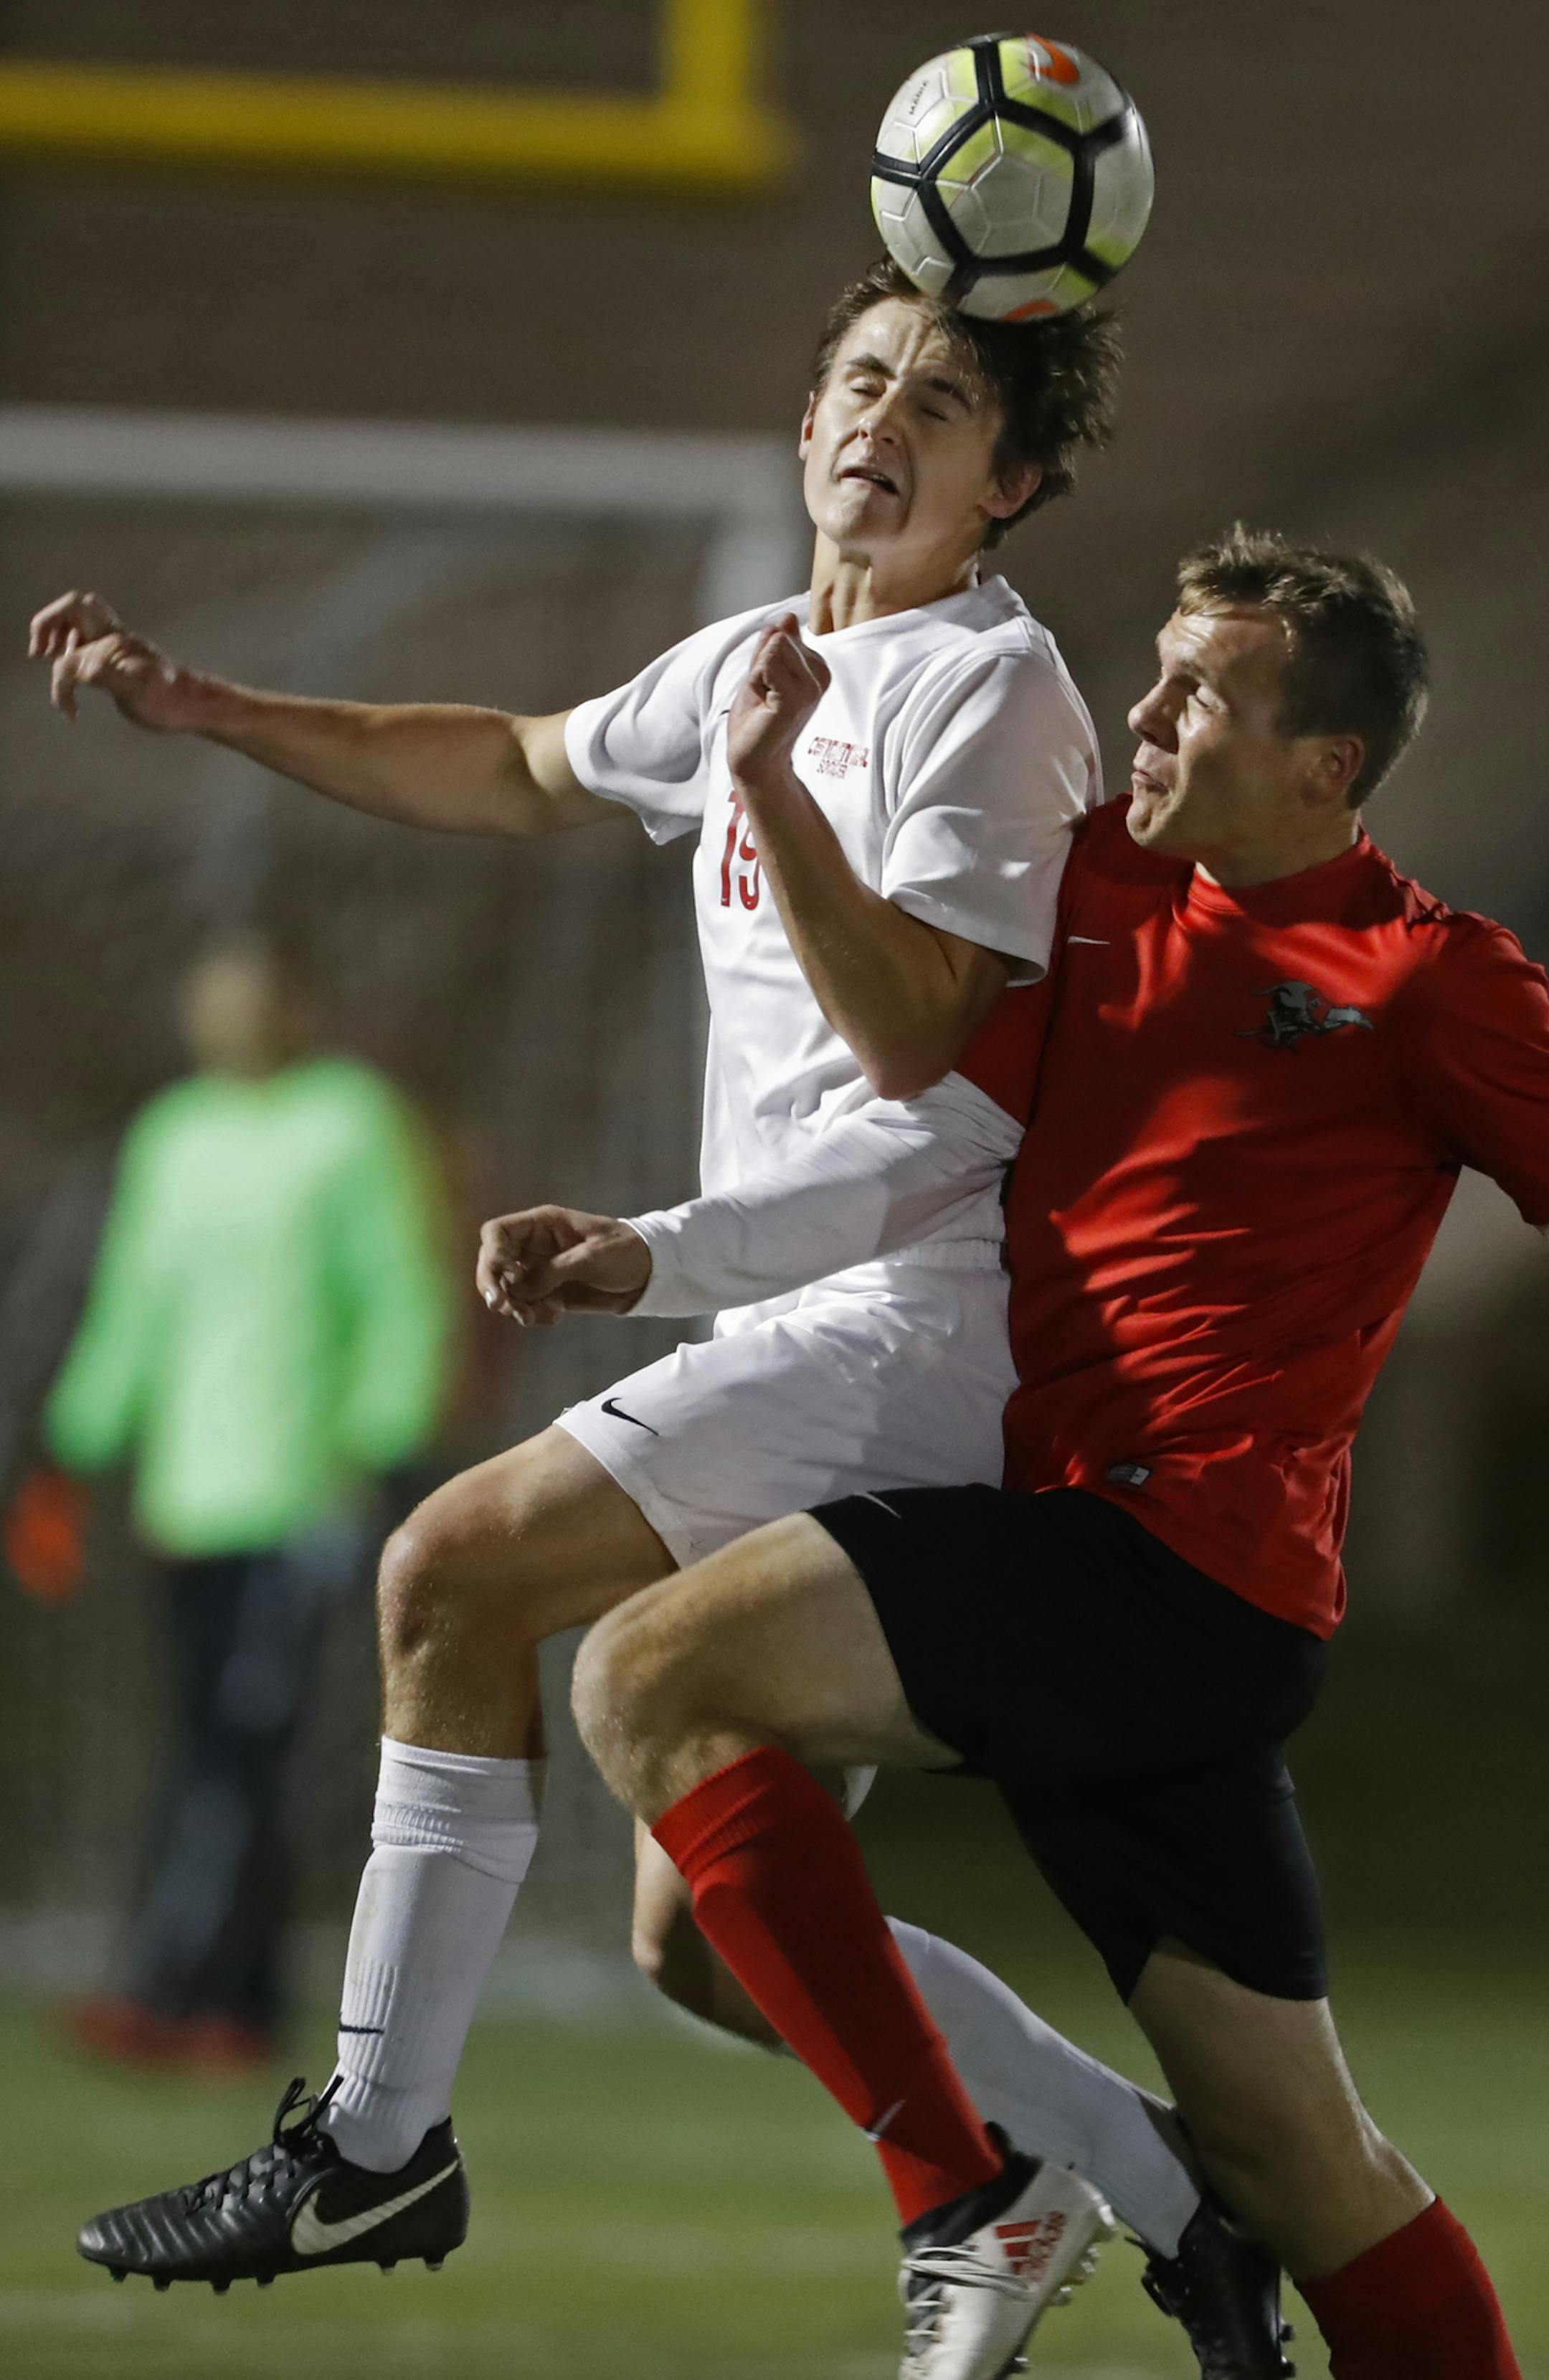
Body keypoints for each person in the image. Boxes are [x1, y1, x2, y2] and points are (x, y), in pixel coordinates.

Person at [35, 266, 1276, 2365]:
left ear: (1015, 479)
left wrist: (769, 813)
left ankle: (375, 2134)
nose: (887, 413)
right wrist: (219, 706)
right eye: (863, 376)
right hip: (802, 1307)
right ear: (806, 424)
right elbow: (514, 760)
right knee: (713, 1929)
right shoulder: (748, 663)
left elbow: (921, 1055)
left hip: (931, 1310)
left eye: (948, 399)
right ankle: (1171, 2191)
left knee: (455, 1566)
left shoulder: (992, 692)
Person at [458, 532, 1533, 2380]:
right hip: (1089, 1555)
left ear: (1326, 768)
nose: (1149, 710)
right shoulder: (1101, 883)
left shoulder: (1428, 975)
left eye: (1204, 691)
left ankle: (975, 2201)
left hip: (1177, 1573)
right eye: (1159, 670)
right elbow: (903, 1071)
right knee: (1296, 2160)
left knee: (652, 1667)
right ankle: (1073, 2189)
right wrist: (775, 794)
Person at [42, 933, 455, 2071]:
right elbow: (135, 1302)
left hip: (300, 1491)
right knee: (212, 1748)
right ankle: (239, 2003)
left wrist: (381, 1444)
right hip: (189, 1499)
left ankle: (166, 1991)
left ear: (295, 1006)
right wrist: (75, 1444)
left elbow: (399, 1289)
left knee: (239, 1748)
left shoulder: (351, 1119)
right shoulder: (173, 1134)